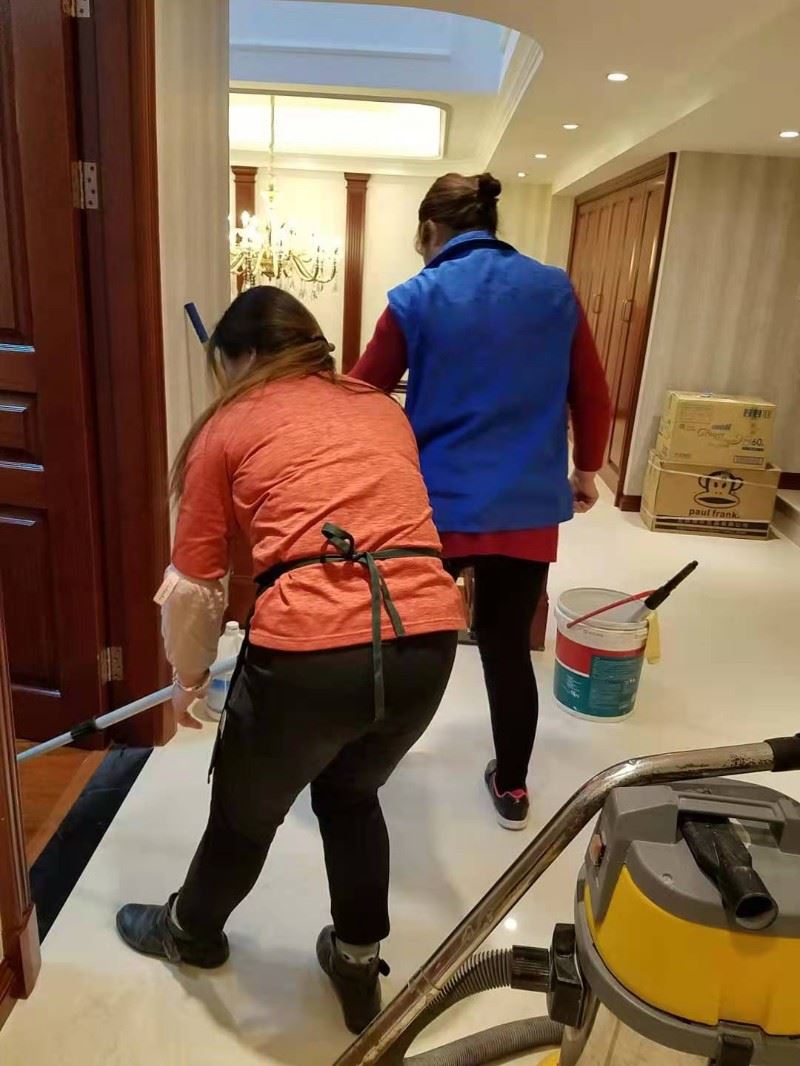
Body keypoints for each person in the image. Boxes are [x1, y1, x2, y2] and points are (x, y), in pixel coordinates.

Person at [115, 286, 464, 1035]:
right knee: (352, 795)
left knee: (245, 816)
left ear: (240, 357)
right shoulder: (379, 407)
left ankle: (189, 932)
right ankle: (357, 960)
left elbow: (194, 586)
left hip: (311, 657)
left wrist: (186, 681)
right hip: (428, 644)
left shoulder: (228, 425)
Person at [352, 172, 612, 832]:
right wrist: (585, 471)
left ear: (429, 230)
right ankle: (514, 786)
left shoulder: (415, 296)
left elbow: (360, 394)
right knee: (505, 643)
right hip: (526, 508)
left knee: (403, 637)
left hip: (435, 508)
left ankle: (364, 769)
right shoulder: (554, 289)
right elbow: (592, 394)